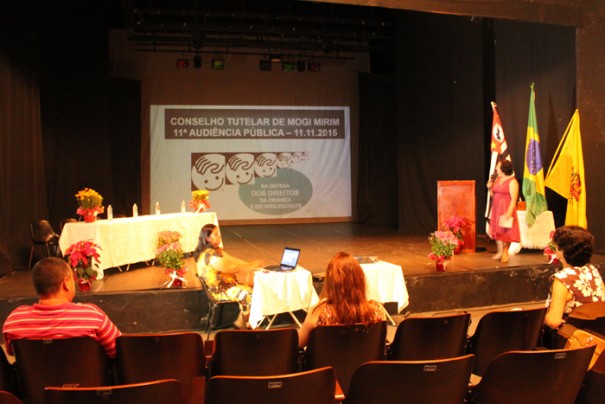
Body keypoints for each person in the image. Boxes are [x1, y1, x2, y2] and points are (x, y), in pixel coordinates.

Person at [2, 257, 121, 358]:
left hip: (35, 385)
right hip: (90, 384)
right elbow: (119, 351)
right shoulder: (92, 316)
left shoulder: (14, 321)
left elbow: (13, 353)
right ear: (66, 282)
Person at [298, 252, 387, 347]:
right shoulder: (378, 310)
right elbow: (380, 343)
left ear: (331, 281)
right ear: (360, 279)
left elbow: (299, 343)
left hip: (328, 362)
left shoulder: (319, 312)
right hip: (365, 362)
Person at [193, 223, 262, 328]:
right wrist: (251, 267)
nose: (219, 236)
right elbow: (233, 268)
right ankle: (241, 323)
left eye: (218, 233)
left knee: (253, 288)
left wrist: (251, 265)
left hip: (227, 286)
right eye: (215, 234)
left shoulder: (216, 251)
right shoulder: (210, 255)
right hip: (220, 291)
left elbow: (233, 260)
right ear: (207, 238)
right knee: (252, 295)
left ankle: (244, 322)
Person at [544, 226, 605, 331]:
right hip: (597, 335)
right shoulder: (592, 271)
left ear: (561, 251)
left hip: (571, 338)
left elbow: (553, 322)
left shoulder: (563, 279)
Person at [486, 159, 520, 263]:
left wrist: (509, 212)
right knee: (497, 229)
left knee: (506, 230)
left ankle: (505, 250)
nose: (496, 168)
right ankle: (500, 251)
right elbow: (493, 194)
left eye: (498, 166)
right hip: (496, 208)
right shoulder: (498, 178)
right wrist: (489, 188)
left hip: (506, 207)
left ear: (503, 169)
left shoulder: (512, 181)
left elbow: (514, 198)